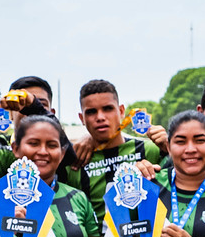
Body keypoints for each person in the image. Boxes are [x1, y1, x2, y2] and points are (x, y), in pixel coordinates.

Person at [64, 78, 164, 206]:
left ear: (121, 111)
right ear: (81, 118)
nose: (100, 117)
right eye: (91, 112)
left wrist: (169, 146)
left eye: (107, 109)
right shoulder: (76, 162)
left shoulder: (150, 149)